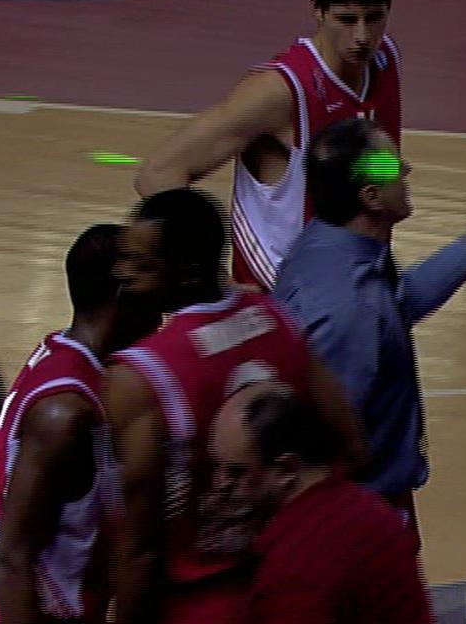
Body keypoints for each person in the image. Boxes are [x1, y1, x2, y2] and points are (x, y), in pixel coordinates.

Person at [100, 188, 366, 624]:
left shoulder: (140, 376)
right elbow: (352, 449)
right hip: (291, 585)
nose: (122, 273)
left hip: (197, 603)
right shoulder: (277, 318)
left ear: (187, 273)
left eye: (141, 265)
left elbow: (140, 550)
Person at [272, 117, 466, 530]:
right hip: (358, 515)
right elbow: (332, 440)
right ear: (370, 196)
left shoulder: (329, 245)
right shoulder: (348, 306)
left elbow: (397, 303)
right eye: (391, 166)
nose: (405, 169)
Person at [134, 0, 401, 292]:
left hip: (353, 291)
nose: (362, 37)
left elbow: (373, 170)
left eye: (374, 18)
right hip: (283, 304)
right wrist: (217, 283)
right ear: (318, 10)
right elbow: (157, 173)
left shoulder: (385, 61)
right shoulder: (279, 91)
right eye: (346, 19)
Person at [0, 224, 161, 624]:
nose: (162, 300)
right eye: (149, 277)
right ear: (123, 292)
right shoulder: (66, 413)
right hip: (18, 607)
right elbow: (11, 559)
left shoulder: (59, 351)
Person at [206, 380, 434, 623]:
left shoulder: (295, 575)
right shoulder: (370, 510)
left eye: (236, 471)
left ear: (286, 469)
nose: (220, 483)